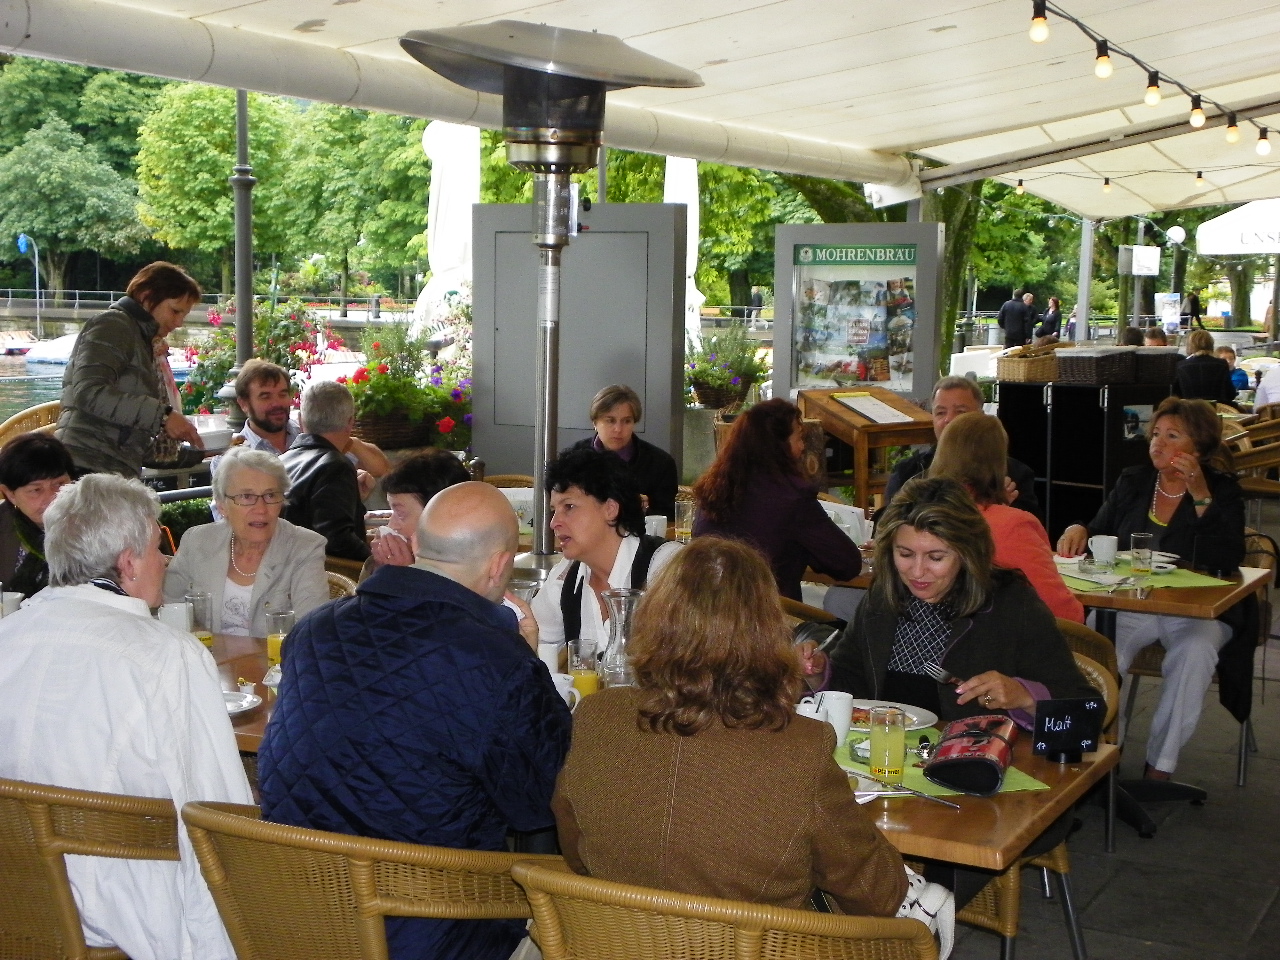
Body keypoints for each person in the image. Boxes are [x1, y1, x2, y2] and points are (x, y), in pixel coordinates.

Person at [259, 481, 571, 960]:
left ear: (418, 545)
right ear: (499, 565)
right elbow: (539, 802)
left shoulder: (313, 632)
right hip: (432, 929)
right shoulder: (494, 659)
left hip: (300, 918)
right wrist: (528, 665)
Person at [553, 536, 907, 916]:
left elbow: (578, 853)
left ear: (655, 619)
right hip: (759, 942)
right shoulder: (803, 748)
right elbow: (877, 895)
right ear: (768, 632)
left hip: (614, 937)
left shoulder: (596, 717)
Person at [0, 473, 252, 960]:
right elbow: (218, 813)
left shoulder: (7, 637)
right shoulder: (165, 655)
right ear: (129, 561)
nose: (165, 560)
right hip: (117, 911)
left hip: (16, 894)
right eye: (158, 548)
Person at [1057, 397, 1245, 778]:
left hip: (1193, 608)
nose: (1158, 442)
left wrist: (1200, 496)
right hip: (1130, 602)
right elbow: (1099, 528)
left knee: (1194, 653)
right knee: (1095, 648)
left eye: (1172, 436)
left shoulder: (1223, 490)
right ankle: (1100, 755)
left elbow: (1227, 556)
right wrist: (1078, 528)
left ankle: (1160, 766)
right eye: (1156, 433)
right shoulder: (1134, 480)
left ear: (1199, 448)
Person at [828, 475, 1094, 725]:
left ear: (967, 552)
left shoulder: (1011, 604)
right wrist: (819, 673)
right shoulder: (884, 595)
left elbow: (1085, 711)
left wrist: (1026, 696)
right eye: (905, 554)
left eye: (936, 557)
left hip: (973, 752)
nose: (917, 572)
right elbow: (849, 680)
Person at [692, 398, 859, 600]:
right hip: (769, 612)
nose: (802, 447)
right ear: (780, 446)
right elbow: (848, 564)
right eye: (799, 438)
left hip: (708, 607)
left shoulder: (713, 490)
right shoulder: (792, 498)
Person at [929, 413, 1083, 621]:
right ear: (999, 462)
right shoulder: (1013, 526)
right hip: (993, 638)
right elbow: (1062, 612)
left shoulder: (918, 515)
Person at [57, 261, 204, 477]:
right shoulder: (114, 324)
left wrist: (196, 453)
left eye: (184, 315)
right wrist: (163, 416)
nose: (179, 322)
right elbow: (88, 392)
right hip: (87, 465)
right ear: (146, 297)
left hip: (102, 465)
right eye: (175, 311)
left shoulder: (139, 337)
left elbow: (128, 435)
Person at [164, 446, 328, 636]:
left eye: (270, 495)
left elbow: (311, 632)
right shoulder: (197, 541)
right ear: (222, 505)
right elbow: (168, 608)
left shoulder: (305, 548)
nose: (261, 509)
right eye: (247, 496)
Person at [531, 447, 681, 645]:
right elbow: (539, 646)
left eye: (569, 507)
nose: (554, 523)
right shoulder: (564, 579)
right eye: (554, 510)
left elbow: (694, 655)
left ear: (610, 509)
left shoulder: (666, 568)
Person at [222, 359, 389, 499]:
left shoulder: (308, 431)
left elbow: (381, 469)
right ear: (243, 404)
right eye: (265, 396)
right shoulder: (234, 455)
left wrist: (348, 441)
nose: (277, 403)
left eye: (282, 394)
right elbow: (228, 516)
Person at [884, 376, 1040, 518]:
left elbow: (1032, 529)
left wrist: (1002, 509)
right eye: (940, 413)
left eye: (960, 412)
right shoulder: (908, 473)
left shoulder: (1013, 474)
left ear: (980, 416)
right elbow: (886, 525)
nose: (948, 419)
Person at [281, 380, 371, 561]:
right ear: (350, 422)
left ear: (300, 420)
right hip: (322, 574)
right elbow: (337, 541)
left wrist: (353, 498)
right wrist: (378, 564)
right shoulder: (336, 466)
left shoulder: (279, 462)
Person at [571, 384, 678, 519]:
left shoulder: (660, 464)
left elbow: (668, 518)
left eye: (626, 421)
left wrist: (644, 510)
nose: (618, 429)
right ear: (595, 422)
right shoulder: (573, 458)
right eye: (610, 421)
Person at [364, 449, 472, 576]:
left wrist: (405, 576)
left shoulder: (470, 570)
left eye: (400, 514)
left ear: (438, 515)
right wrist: (377, 568)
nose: (392, 525)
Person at [0, 432, 75, 596]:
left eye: (59, 484)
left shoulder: (96, 524)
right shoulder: (3, 525)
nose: (52, 498)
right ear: (10, 494)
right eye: (36, 490)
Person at [1174, 329, 1237, 403]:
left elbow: (1176, 394)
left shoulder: (1181, 365)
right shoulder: (1221, 364)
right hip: (1216, 407)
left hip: (1190, 407)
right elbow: (1230, 394)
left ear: (1190, 345)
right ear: (1211, 344)